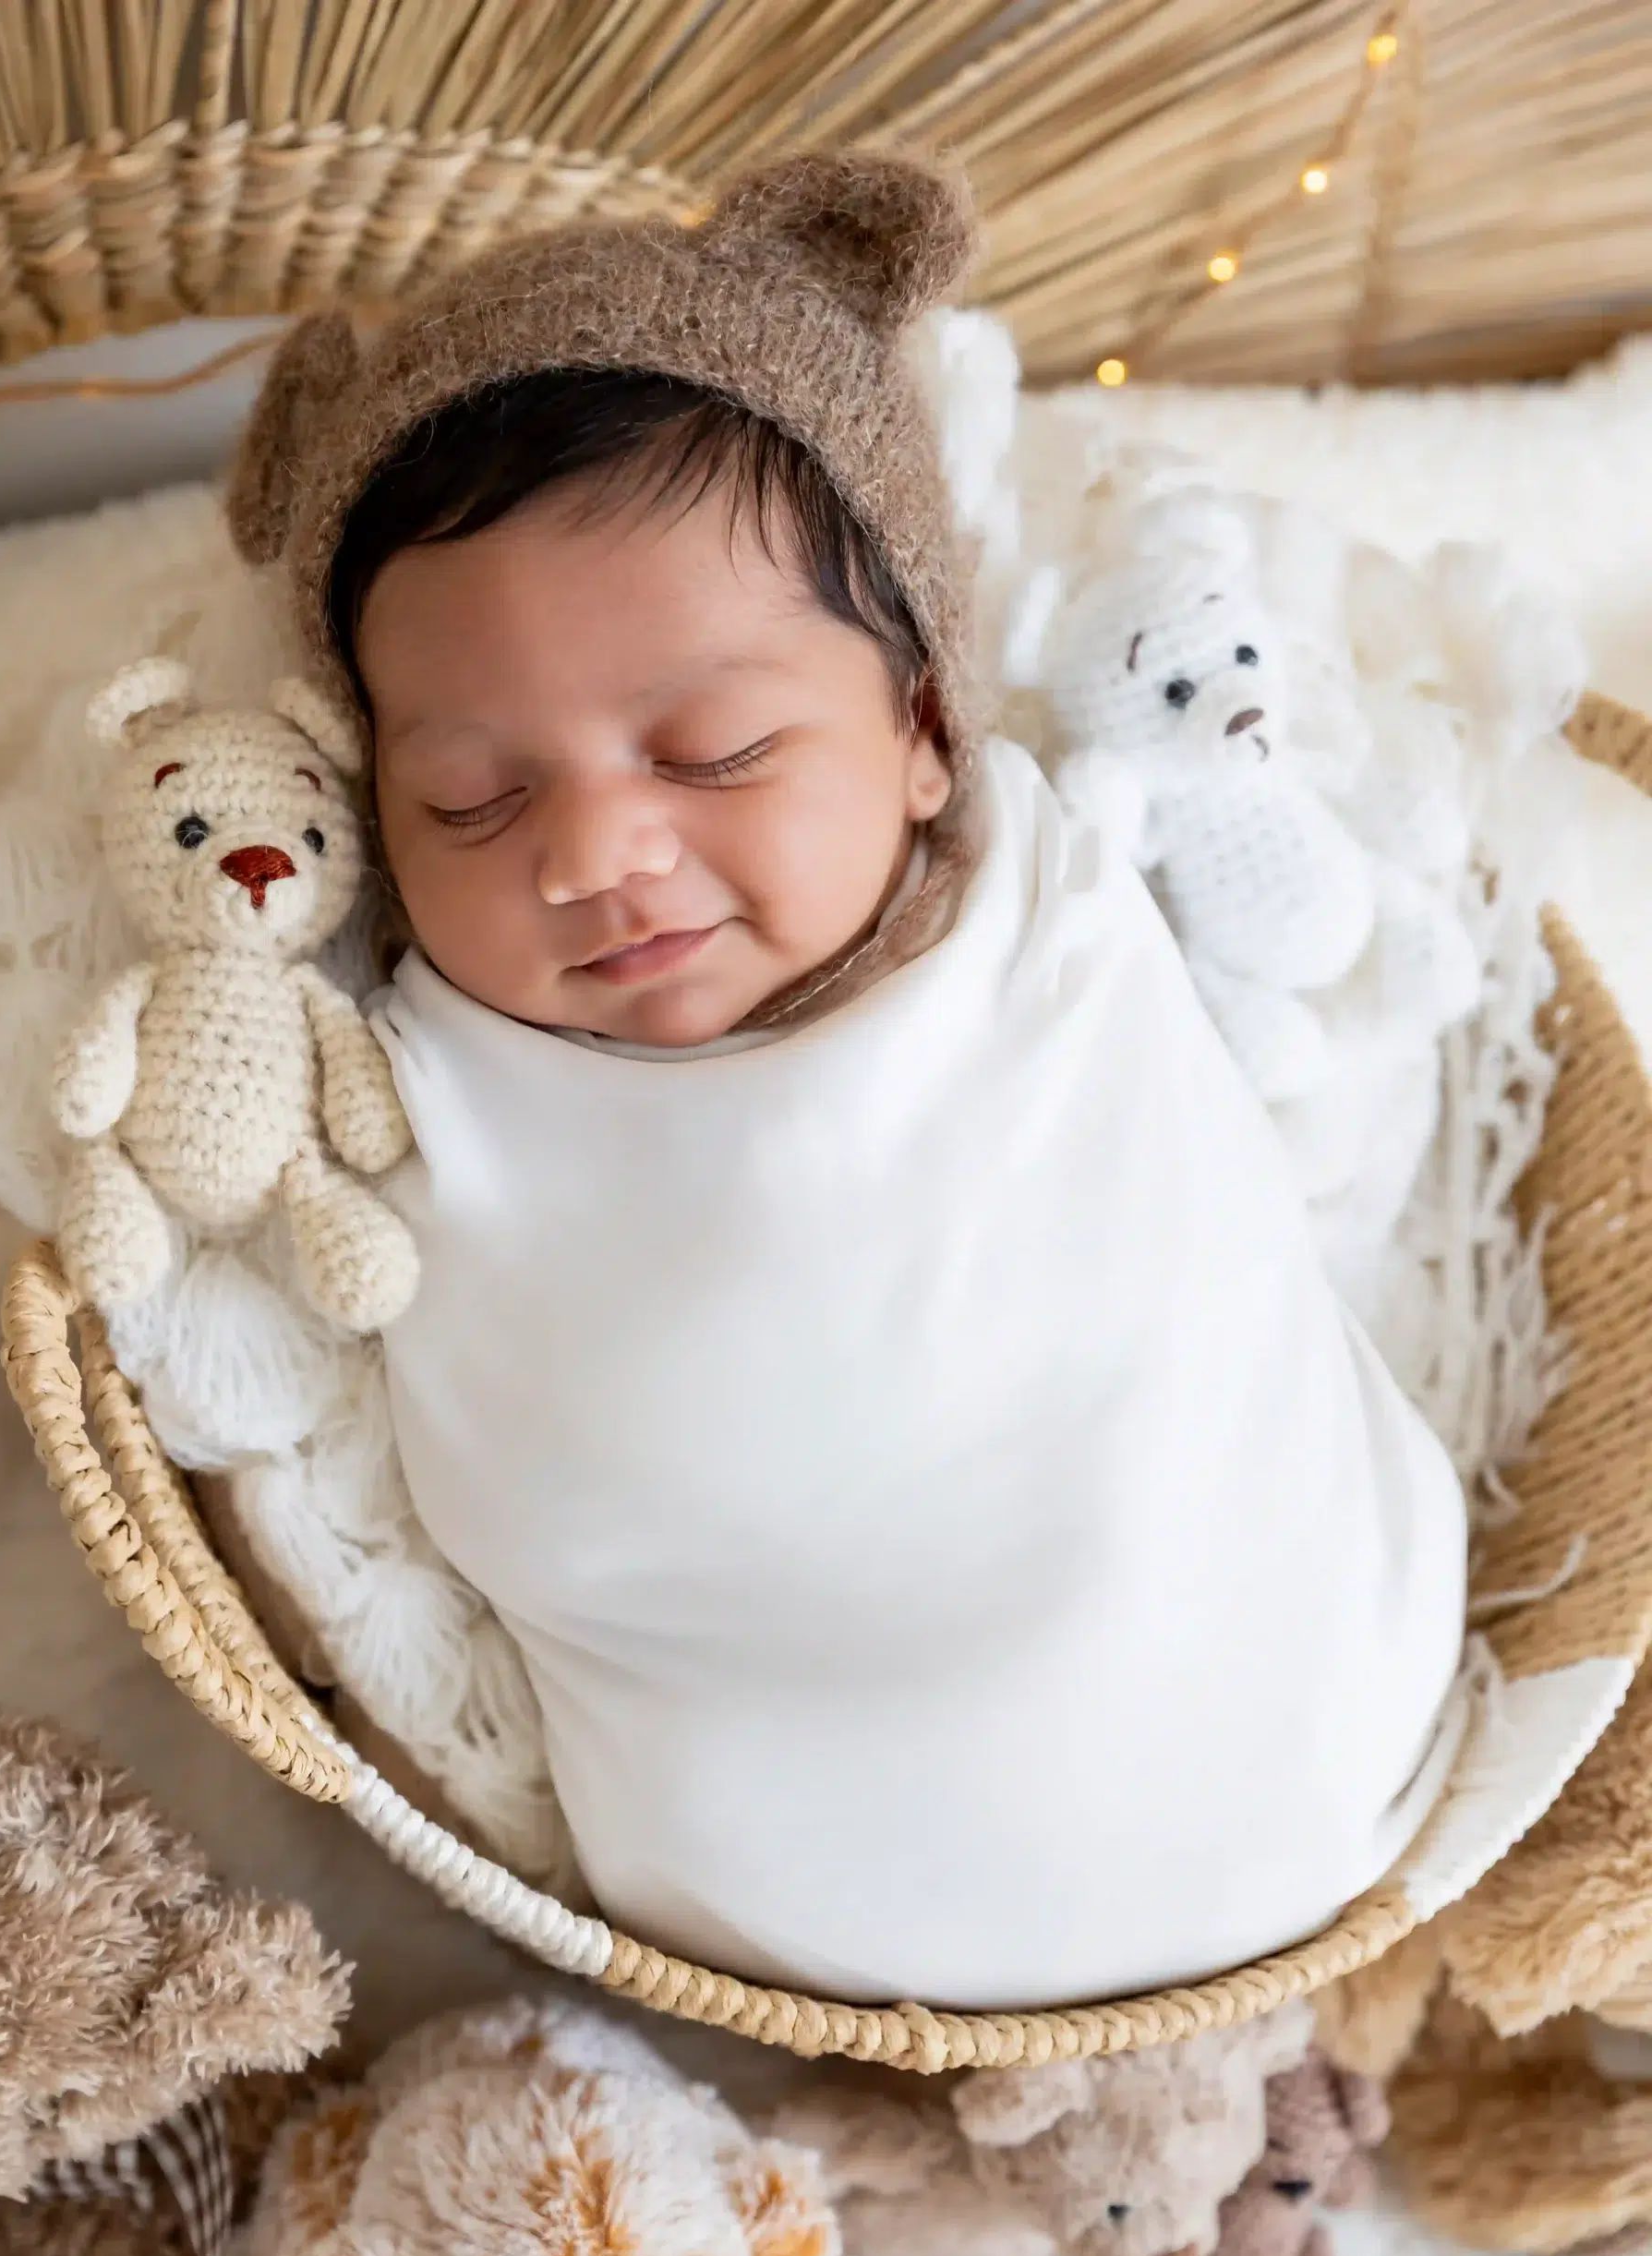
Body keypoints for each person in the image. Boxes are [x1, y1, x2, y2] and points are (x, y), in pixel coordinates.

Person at [226, 152, 1466, 2009]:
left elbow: (1206, 1288)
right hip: (780, 1894)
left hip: (1297, 1727)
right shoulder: (416, 1069)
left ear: (921, 732)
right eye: (472, 799)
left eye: (715, 750)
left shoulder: (1039, 915)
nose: (593, 856)